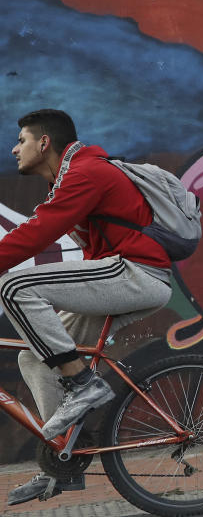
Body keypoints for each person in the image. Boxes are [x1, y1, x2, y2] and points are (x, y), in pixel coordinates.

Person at [2, 109, 172, 506]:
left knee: (13, 284)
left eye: (22, 140)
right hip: (116, 275)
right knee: (34, 359)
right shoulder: (69, 178)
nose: (14, 149)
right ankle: (66, 461)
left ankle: (84, 384)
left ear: (44, 143)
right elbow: (40, 231)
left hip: (135, 273)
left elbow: (33, 235)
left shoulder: (85, 173)